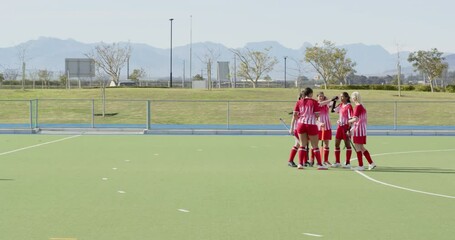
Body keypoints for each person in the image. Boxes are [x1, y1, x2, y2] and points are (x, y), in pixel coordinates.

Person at [289, 87, 328, 170]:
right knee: (315, 146)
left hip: (301, 124)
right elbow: (317, 115)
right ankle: (320, 165)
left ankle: (300, 164)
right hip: (311, 124)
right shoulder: (314, 102)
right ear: (310, 94)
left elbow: (295, 115)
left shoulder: (299, 102)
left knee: (302, 145)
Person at [348, 91, 376, 171]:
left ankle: (361, 165)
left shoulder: (357, 107)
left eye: (352, 97)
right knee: (361, 147)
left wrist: (348, 121)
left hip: (358, 129)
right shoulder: (362, 107)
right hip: (362, 129)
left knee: (358, 148)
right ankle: (371, 163)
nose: (352, 99)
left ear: (354, 98)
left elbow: (355, 119)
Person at [308, 92, 335, 166]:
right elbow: (315, 116)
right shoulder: (315, 104)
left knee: (326, 144)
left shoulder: (326, 104)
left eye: (322, 96)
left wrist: (333, 99)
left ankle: (326, 160)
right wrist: (319, 123)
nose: (321, 97)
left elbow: (332, 104)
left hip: (327, 126)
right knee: (314, 144)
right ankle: (312, 159)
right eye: (319, 96)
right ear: (317, 97)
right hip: (318, 126)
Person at [332, 92, 353, 168]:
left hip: (345, 127)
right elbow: (333, 110)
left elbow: (351, 119)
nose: (341, 98)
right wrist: (334, 101)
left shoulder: (349, 106)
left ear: (347, 97)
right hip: (339, 127)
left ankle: (348, 162)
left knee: (347, 145)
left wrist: (349, 129)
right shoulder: (341, 105)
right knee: (336, 144)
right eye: (340, 97)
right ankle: (337, 162)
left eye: (342, 97)